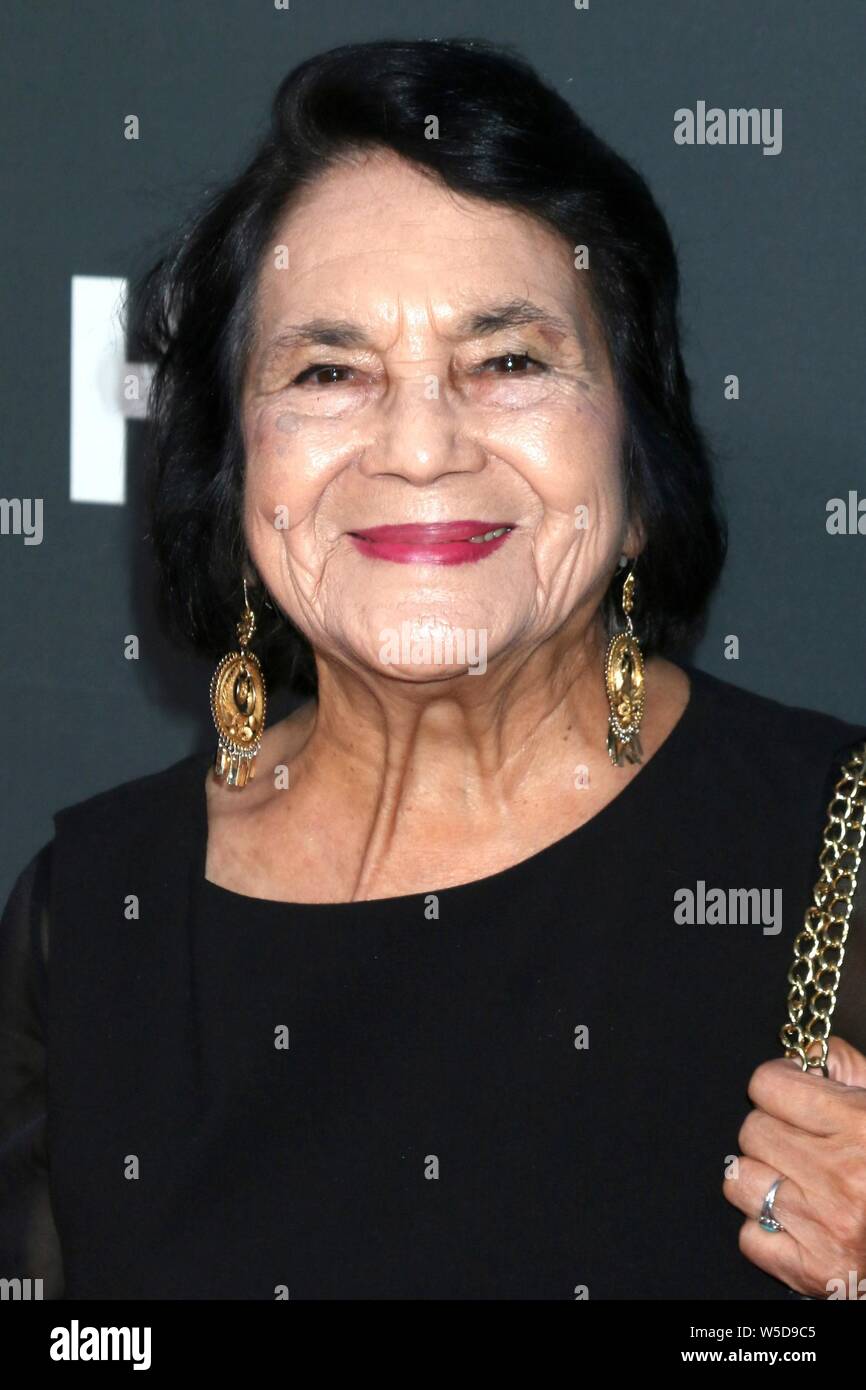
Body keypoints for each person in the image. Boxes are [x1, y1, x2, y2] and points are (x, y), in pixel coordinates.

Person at [1, 37, 865, 1301]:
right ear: (237, 469)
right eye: (328, 371)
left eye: (508, 361)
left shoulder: (834, 850)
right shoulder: (89, 921)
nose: (417, 444)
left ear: (635, 458)